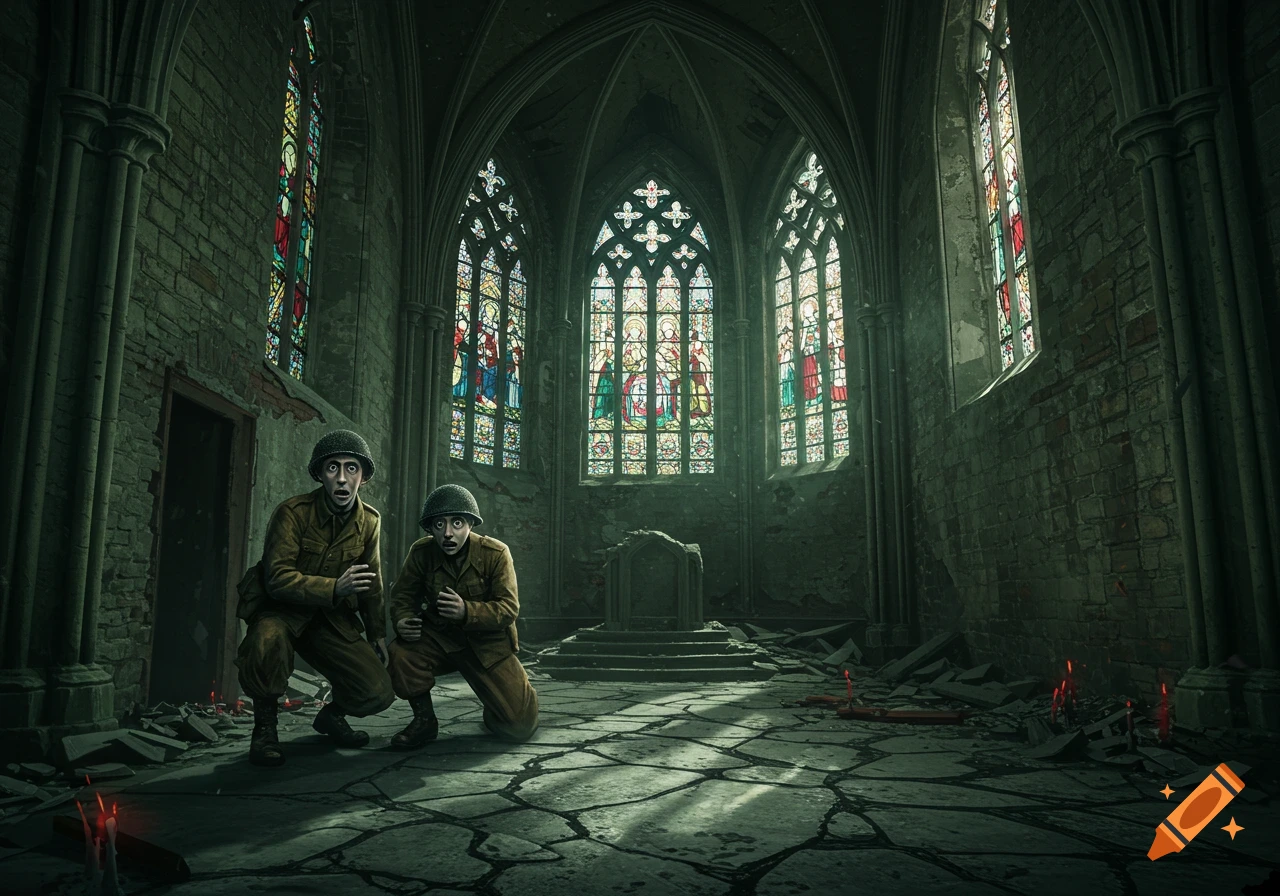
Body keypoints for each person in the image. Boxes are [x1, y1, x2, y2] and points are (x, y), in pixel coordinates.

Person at [234, 430, 393, 767]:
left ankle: (332, 717)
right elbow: (277, 579)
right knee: (266, 641)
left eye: (352, 468)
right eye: (333, 467)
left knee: (378, 690)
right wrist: (335, 587)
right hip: (282, 610)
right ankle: (264, 731)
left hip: (328, 618)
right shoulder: (293, 513)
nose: (341, 477)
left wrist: (377, 632)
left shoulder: (369, 522)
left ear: (363, 478)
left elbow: (372, 582)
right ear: (320, 474)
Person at [386, 484, 539, 747]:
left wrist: (467, 611)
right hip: (440, 639)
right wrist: (402, 620)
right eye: (439, 524)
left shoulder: (496, 554)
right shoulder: (421, 553)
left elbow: (508, 608)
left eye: (456, 522)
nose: (447, 533)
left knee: (518, 727)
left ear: (470, 524)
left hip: (487, 645)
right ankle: (424, 721)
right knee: (402, 652)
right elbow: (402, 596)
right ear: (430, 528)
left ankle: (510, 700)